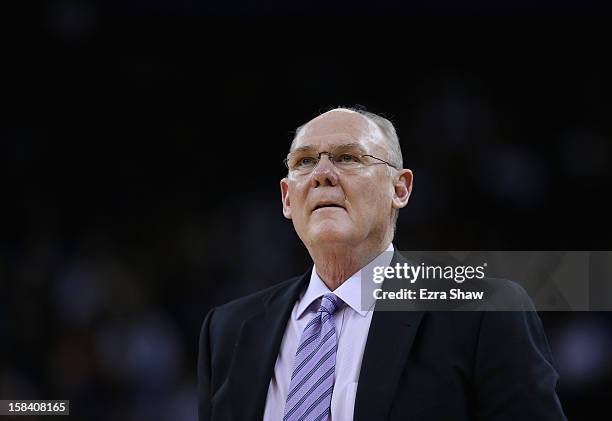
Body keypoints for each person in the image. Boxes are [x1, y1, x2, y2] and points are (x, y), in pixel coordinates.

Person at [198, 108, 567, 421]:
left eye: (348, 158)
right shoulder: (228, 329)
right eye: (305, 162)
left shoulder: (482, 311)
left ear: (400, 189)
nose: (321, 174)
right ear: (287, 199)